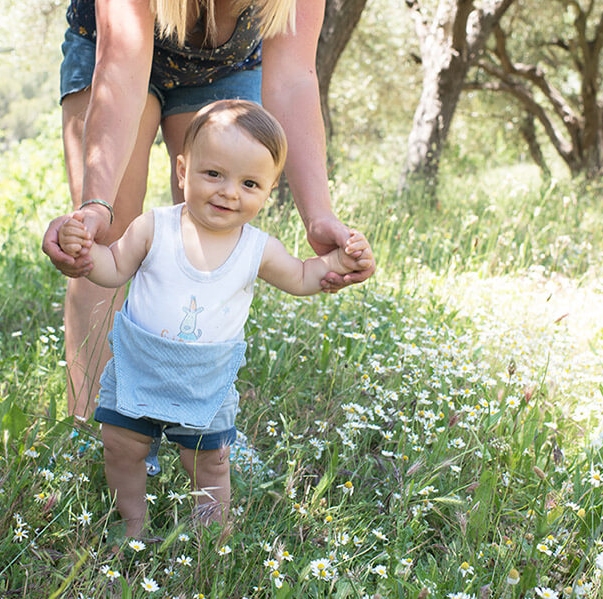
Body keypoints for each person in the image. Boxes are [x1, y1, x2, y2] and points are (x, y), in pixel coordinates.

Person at [41, 0, 376, 426]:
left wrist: (319, 215)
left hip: (222, 68)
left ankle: (192, 425)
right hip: (118, 58)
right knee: (107, 239)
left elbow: (293, 79)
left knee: (213, 236)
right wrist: (95, 205)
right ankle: (91, 428)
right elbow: (123, 65)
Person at [58, 99, 372, 538]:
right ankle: (131, 527)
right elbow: (112, 268)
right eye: (214, 175)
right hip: (139, 367)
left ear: (269, 190)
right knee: (121, 448)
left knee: (208, 461)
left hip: (205, 380)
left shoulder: (257, 248)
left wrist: (341, 261)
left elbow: (303, 275)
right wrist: (83, 250)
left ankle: (209, 537)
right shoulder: (155, 227)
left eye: (249, 183)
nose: (229, 192)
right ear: (183, 171)